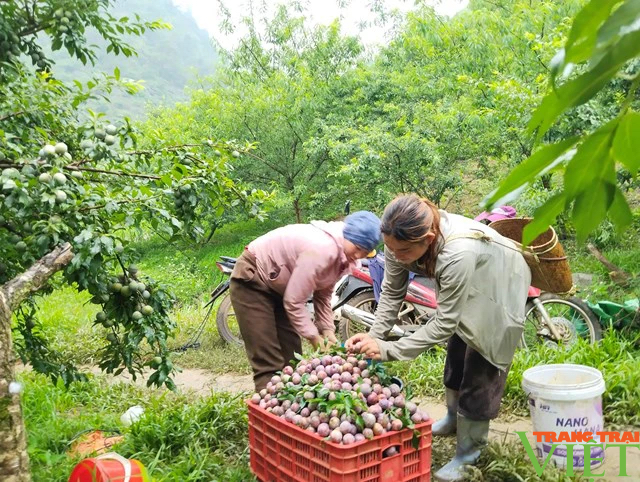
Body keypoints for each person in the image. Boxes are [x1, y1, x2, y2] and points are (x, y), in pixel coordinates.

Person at [346, 195, 530, 482]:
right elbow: (392, 293)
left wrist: (390, 350)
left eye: (403, 250)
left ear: (429, 238)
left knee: (483, 363)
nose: (395, 254)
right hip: (468, 280)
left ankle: (469, 454)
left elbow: (444, 322)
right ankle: (453, 419)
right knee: (457, 354)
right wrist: (374, 338)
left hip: (500, 281)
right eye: (390, 248)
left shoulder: (458, 251)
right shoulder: (398, 242)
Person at [230, 211, 381, 391]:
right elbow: (294, 302)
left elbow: (323, 294)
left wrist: (327, 330)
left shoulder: (342, 256)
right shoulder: (322, 249)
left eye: (365, 251)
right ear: (348, 236)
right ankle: (268, 412)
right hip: (254, 280)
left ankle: (290, 412)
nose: (358, 254)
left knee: (292, 359)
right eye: (357, 247)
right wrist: (314, 337)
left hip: (281, 287)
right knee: (269, 363)